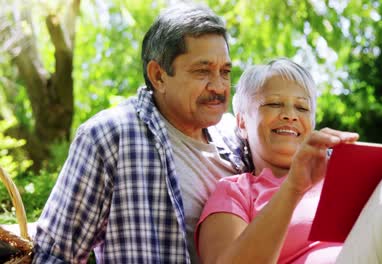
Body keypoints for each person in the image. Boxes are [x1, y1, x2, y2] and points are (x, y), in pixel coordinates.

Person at [32, 3, 250, 263]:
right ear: (158, 76)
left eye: (225, 72)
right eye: (202, 71)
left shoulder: (238, 136)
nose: (218, 86)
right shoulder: (109, 137)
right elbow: (54, 256)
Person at [196, 58, 382, 263]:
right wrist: (293, 187)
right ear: (242, 122)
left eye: (302, 107)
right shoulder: (235, 191)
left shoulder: (341, 175)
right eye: (274, 104)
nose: (290, 115)